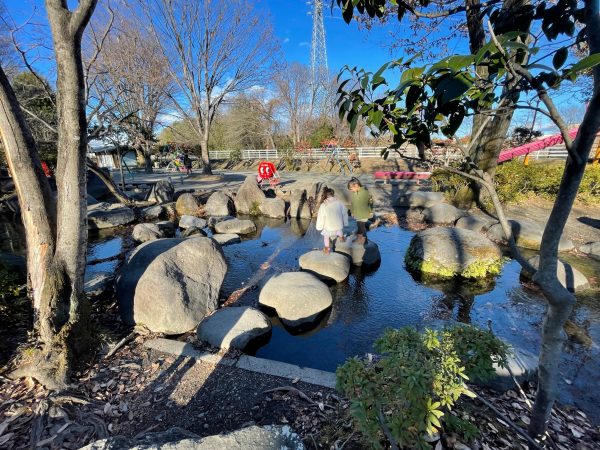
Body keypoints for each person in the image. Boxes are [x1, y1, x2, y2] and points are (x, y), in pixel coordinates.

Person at [315, 187, 347, 254]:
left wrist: (319, 227)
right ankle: (342, 238)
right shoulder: (339, 203)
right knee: (339, 230)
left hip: (329, 227)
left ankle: (327, 248)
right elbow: (344, 213)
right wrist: (345, 222)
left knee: (326, 236)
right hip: (339, 225)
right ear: (333, 194)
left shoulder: (324, 205)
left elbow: (321, 217)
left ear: (326, 195)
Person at [347, 177, 373, 244]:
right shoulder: (353, 194)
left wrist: (370, 211)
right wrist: (352, 211)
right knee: (360, 226)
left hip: (364, 213)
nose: (351, 190)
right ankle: (362, 239)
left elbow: (370, 202)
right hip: (357, 213)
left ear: (356, 185)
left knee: (361, 227)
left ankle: (362, 239)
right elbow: (352, 204)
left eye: (351, 189)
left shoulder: (365, 192)